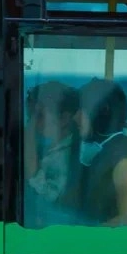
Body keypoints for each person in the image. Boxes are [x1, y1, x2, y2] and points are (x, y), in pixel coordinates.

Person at [76, 79, 127, 227]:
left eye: (82, 111)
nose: (76, 118)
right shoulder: (106, 152)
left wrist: (81, 237)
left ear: (102, 113)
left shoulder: (126, 163)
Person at [24, 81, 82, 227]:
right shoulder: (51, 149)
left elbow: (48, 197)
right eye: (29, 115)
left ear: (64, 118)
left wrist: (28, 143)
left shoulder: (64, 158)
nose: (32, 123)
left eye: (39, 116)